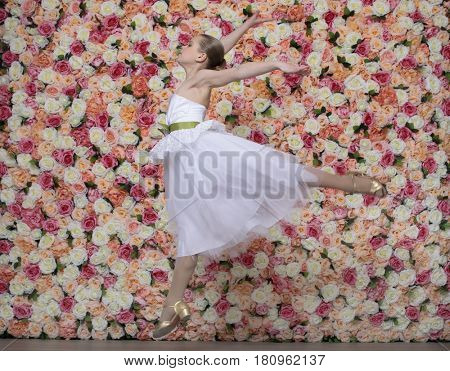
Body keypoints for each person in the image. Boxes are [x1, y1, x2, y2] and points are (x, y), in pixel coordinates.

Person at [147, 11, 387, 340]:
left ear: (200, 57)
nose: (183, 46)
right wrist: (245, 27)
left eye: (189, 44)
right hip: (184, 162)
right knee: (189, 233)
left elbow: (237, 71)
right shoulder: (193, 75)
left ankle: (351, 183)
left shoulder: (201, 79)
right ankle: (172, 308)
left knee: (276, 171)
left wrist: (274, 63)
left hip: (204, 149)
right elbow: (221, 50)